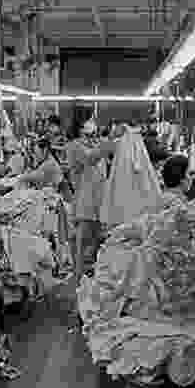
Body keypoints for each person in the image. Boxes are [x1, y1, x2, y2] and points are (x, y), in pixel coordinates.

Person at [65, 116, 117, 282]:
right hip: (84, 202)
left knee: (95, 241)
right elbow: (90, 159)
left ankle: (91, 277)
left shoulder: (94, 145)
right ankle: (78, 278)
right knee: (83, 242)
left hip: (99, 201)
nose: (92, 137)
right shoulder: (74, 147)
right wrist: (110, 140)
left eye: (94, 133)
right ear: (80, 131)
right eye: (89, 134)